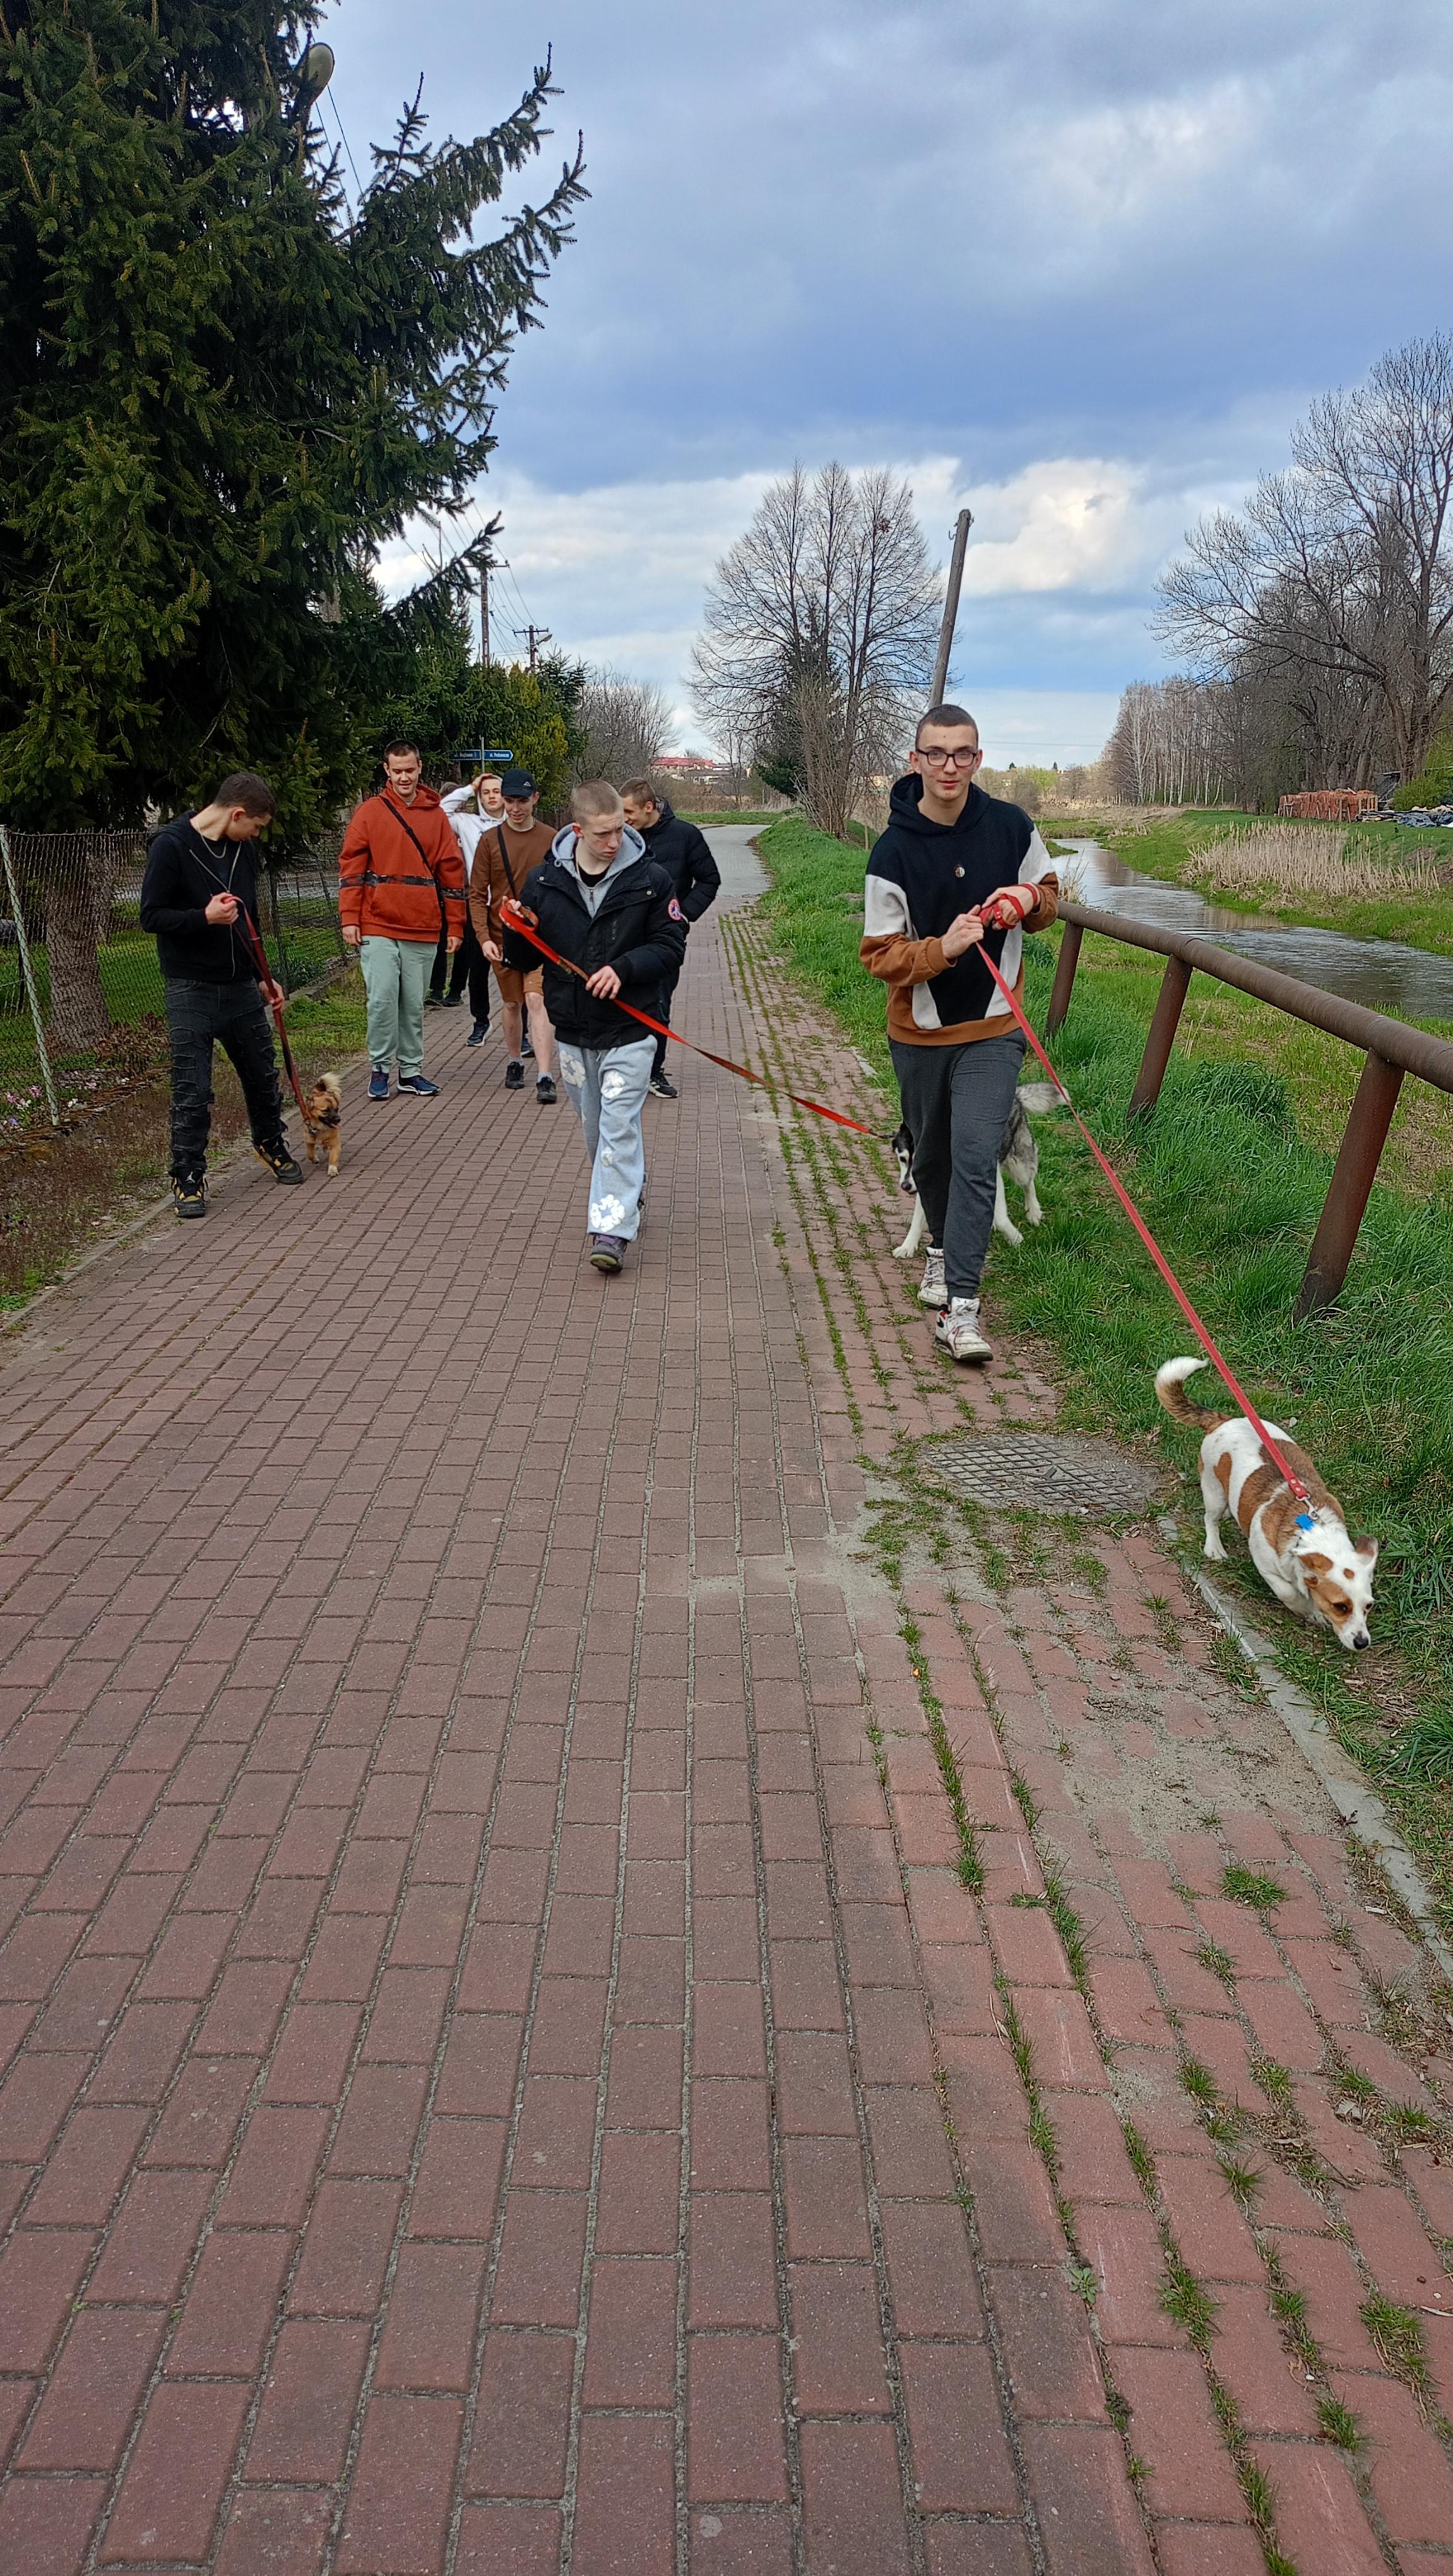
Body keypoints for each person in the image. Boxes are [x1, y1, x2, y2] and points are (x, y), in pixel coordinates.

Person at [861, 704, 1059, 1365]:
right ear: (915, 760)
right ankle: (941, 1252)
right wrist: (941, 949)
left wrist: (1026, 902)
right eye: (936, 753)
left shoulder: (1011, 827)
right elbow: (879, 956)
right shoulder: (892, 850)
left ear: (978, 759)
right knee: (933, 1158)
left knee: (977, 1153)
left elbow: (1050, 892)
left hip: (995, 1029)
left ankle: (962, 1310)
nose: (950, 765)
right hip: (917, 1034)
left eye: (963, 753)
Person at [502, 781, 685, 1273]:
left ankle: (611, 1230)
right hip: (573, 1030)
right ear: (579, 829)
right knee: (594, 1130)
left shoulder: (651, 879)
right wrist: (513, 927)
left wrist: (623, 969)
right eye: (604, 833)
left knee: (618, 1124)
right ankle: (631, 1189)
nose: (615, 841)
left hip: (632, 1027)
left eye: (621, 829)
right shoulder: (543, 883)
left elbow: (672, 945)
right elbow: (521, 958)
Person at [139, 771, 304, 1218]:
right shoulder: (171, 847)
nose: (257, 834)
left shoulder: (242, 850)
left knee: (262, 1073)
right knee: (193, 1088)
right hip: (190, 986)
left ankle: (269, 1143)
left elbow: (249, 917)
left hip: (239, 986)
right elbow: (151, 916)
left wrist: (263, 976)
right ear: (236, 813)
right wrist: (203, 918)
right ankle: (188, 1175)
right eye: (256, 825)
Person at [338, 743, 466, 1100]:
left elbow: (452, 874)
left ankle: (410, 1071)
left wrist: (455, 926)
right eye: (397, 771)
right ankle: (380, 1069)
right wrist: (350, 917)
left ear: (419, 768)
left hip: (423, 924)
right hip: (377, 922)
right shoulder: (369, 813)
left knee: (413, 1003)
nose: (404, 777)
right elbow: (352, 869)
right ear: (387, 771)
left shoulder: (436, 816)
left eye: (409, 770)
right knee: (381, 999)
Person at [619, 779, 721, 1097]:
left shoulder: (686, 836)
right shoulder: (621, 838)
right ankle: (622, 1070)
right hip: (624, 935)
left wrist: (683, 915)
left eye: (629, 811)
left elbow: (709, 880)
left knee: (658, 1004)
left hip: (665, 939)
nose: (624, 819)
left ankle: (653, 1072)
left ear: (649, 807)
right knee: (621, 1002)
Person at [473, 767, 558, 1103]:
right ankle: (513, 1061)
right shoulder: (489, 841)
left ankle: (545, 1075)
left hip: (540, 939)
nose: (515, 807)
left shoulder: (552, 839)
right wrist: (484, 938)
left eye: (522, 800)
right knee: (512, 1003)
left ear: (535, 799)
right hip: (503, 937)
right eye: (509, 801)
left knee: (537, 1000)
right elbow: (477, 894)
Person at [429, 771, 505, 1022]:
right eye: (486, 792)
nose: (492, 797)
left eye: (496, 791)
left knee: (515, 968)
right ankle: (480, 1020)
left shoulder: (513, 824)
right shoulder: (467, 823)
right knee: (478, 968)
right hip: (478, 905)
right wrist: (470, 788)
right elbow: (440, 812)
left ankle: (522, 1028)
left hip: (509, 906)